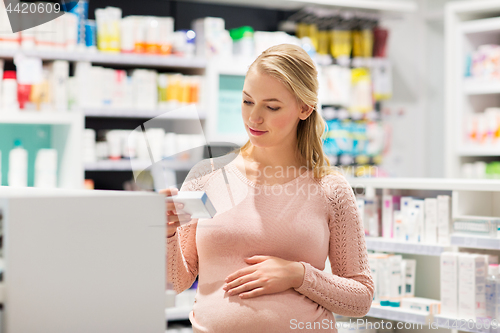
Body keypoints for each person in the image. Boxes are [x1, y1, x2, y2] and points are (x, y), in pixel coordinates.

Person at [163, 44, 374, 333]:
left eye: (271, 107)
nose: (254, 118)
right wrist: (167, 234)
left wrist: (297, 275)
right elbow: (175, 282)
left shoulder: (330, 189)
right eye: (248, 101)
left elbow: (361, 297)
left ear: (304, 108)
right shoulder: (206, 177)